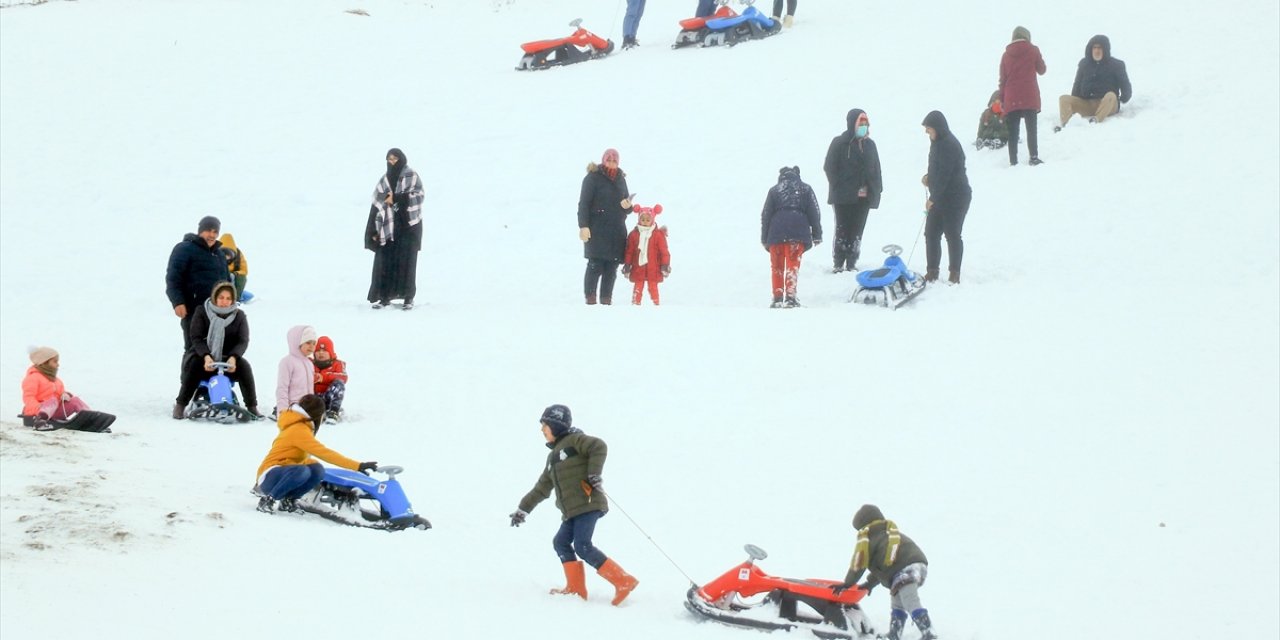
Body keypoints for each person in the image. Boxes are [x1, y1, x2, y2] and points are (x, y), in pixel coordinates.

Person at [508, 405, 639, 606]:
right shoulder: (552, 459)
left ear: (556, 425)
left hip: (587, 503)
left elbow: (599, 446)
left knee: (582, 545)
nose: (542, 430)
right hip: (572, 512)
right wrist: (522, 509)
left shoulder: (575, 441)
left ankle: (623, 580)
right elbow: (541, 488)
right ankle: (576, 588)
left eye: (545, 426)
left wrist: (594, 474)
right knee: (560, 542)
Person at [254, 394, 377, 514]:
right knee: (303, 471)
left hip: (283, 473)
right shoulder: (299, 430)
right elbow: (325, 453)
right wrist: (358, 465)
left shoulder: (301, 426)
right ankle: (268, 500)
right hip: (268, 477)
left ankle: (288, 500)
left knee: (317, 470)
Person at [831, 505, 934, 640]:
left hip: (906, 567)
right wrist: (869, 584)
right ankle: (894, 634)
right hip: (915, 566)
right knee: (897, 601)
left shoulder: (868, 539)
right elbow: (884, 568)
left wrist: (847, 584)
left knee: (909, 599)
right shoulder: (888, 534)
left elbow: (859, 563)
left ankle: (928, 632)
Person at [173, 281, 261, 419]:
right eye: (221, 298)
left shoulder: (239, 316)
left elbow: (242, 340)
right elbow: (196, 338)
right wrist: (206, 356)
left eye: (228, 298)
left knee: (244, 366)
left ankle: (252, 407)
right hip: (204, 358)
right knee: (195, 365)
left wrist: (233, 357)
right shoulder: (202, 312)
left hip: (228, 360)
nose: (224, 302)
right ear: (215, 297)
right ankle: (180, 405)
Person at [823, 108, 883, 272]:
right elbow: (829, 167)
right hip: (843, 197)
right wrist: (838, 185)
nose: (864, 125)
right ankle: (838, 262)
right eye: (860, 122)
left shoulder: (870, 145)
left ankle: (852, 262)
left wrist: (877, 189)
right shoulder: (840, 143)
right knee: (842, 229)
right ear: (852, 124)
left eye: (865, 122)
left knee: (857, 230)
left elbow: (876, 169)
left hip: (864, 197)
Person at [365, 148, 425, 310]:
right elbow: (376, 203)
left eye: (395, 159)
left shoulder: (411, 175)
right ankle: (384, 297)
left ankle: (408, 298)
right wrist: (373, 232)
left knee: (407, 263)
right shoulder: (384, 180)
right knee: (385, 263)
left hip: (408, 228)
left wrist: (397, 198)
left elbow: (419, 197)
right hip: (388, 228)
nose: (392, 162)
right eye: (389, 159)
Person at [921, 111, 972, 284]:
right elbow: (937, 169)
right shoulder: (936, 143)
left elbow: (946, 175)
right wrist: (928, 177)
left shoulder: (949, 144)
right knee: (931, 233)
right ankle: (932, 271)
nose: (927, 133)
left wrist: (932, 198)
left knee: (952, 234)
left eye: (929, 129)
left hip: (956, 197)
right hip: (941, 196)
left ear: (938, 128)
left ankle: (954, 274)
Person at [761, 166, 822, 308]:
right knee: (792, 266)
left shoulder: (774, 190)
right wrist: (817, 234)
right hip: (797, 233)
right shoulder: (806, 189)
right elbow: (814, 213)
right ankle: (790, 297)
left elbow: (766, 216)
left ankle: (777, 298)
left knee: (776, 267)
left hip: (776, 234)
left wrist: (765, 238)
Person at [166, 216, 230, 350]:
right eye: (208, 231)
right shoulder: (184, 248)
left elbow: (227, 282)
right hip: (194, 310)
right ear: (200, 231)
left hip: (219, 313)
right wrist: (178, 302)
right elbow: (173, 278)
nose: (212, 235)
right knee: (195, 351)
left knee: (218, 352)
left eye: (215, 232)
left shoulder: (219, 254)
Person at [578, 148, 633, 305]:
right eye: (609, 159)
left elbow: (627, 207)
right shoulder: (592, 178)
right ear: (603, 160)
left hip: (616, 232)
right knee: (595, 265)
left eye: (614, 160)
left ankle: (606, 300)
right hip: (596, 230)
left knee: (611, 268)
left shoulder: (621, 179)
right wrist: (583, 226)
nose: (611, 162)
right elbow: (584, 204)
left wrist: (628, 205)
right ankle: (590, 300)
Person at [20, 346, 116, 432]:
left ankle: (91, 420)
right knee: (52, 401)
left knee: (75, 400)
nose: (58, 365)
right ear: (44, 362)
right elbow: (28, 398)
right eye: (55, 361)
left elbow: (59, 395)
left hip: (53, 412)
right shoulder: (32, 378)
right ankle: (40, 422)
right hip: (34, 415)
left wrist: (65, 395)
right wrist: (37, 410)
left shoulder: (56, 381)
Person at [1056, 34, 1132, 131]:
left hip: (1108, 103)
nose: (1096, 51)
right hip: (1088, 104)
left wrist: (1123, 98)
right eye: (1094, 48)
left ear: (1105, 49)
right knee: (1064, 99)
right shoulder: (1084, 64)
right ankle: (1066, 125)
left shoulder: (1117, 65)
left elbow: (1125, 85)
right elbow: (1077, 84)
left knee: (1111, 96)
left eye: (1100, 48)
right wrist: (1074, 100)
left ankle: (1096, 120)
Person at [999, 26, 1047, 166]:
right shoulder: (1033, 50)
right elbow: (1042, 70)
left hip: (1011, 97)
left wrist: (1002, 100)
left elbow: (1002, 80)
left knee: (1013, 131)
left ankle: (1013, 161)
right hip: (1029, 95)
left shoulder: (1005, 55)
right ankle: (1033, 157)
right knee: (1031, 129)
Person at [622, 205, 670, 305]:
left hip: (654, 268)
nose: (645, 222)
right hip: (638, 267)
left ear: (652, 220)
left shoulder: (658, 235)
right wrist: (627, 265)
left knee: (653, 287)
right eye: (642, 219)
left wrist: (665, 265)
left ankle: (656, 303)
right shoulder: (634, 235)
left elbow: (664, 252)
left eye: (648, 220)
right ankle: (636, 303)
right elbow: (629, 252)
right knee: (638, 286)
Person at [276, 325, 317, 417]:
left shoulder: (310, 364)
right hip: (293, 407)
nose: (312, 346)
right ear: (298, 342)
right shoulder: (287, 362)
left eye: (314, 343)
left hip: (307, 408)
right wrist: (282, 410)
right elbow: (282, 388)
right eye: (308, 342)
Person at [312, 335, 348, 422]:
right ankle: (284, 408)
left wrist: (323, 377)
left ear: (330, 352)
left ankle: (333, 411)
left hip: (328, 398)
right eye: (318, 350)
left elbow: (343, 377)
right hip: (311, 398)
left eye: (324, 350)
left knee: (339, 384)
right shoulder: (309, 363)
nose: (321, 353)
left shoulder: (338, 364)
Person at [218, 232, 250, 302]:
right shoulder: (213, 253)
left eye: (229, 254)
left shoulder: (239, 255)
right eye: (223, 253)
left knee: (242, 277)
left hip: (233, 278)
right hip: (218, 277)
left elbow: (244, 270)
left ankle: (236, 300)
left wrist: (235, 274)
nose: (226, 257)